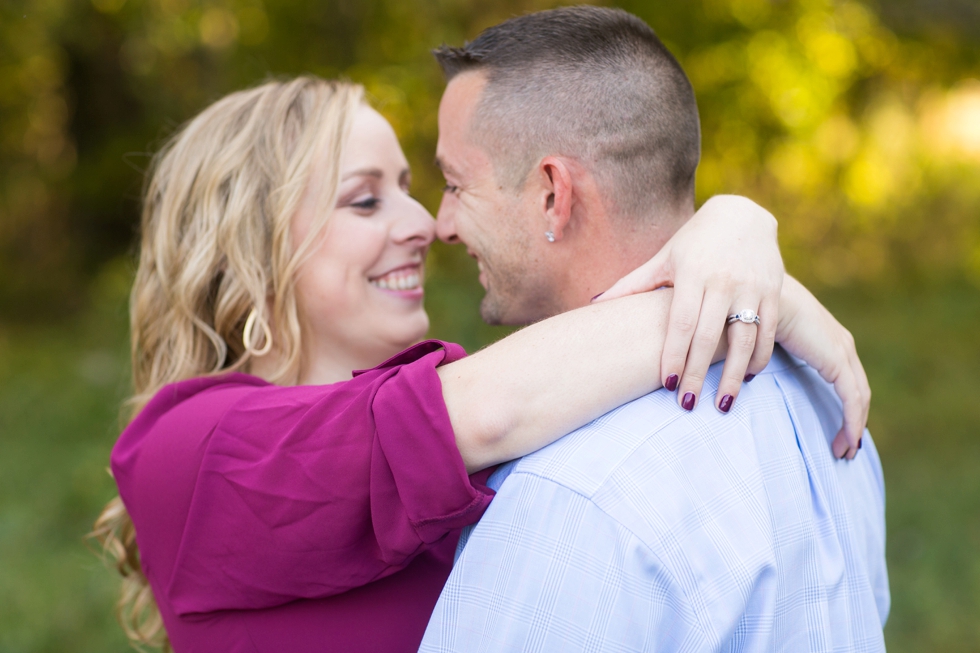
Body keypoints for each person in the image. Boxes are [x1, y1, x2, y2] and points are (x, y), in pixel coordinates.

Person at [93, 76, 867, 652]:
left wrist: (737, 230)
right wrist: (751, 287)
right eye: (365, 201)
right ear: (250, 245)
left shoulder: (459, 404)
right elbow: (487, 406)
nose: (425, 224)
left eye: (411, 188)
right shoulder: (185, 450)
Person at [420, 7, 887, 652]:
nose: (441, 224)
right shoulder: (818, 394)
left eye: (454, 185)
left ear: (553, 195)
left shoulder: (567, 495)